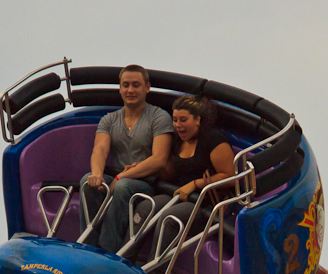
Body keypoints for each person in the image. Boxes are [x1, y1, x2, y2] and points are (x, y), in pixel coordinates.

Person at [79, 65, 174, 253]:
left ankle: (108, 252)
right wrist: (97, 174)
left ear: (147, 88)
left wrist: (121, 177)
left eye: (136, 85)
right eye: (126, 85)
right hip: (119, 179)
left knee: (123, 187)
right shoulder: (109, 119)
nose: (130, 90)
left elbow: (159, 159)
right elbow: (100, 149)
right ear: (120, 88)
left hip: (147, 183)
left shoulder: (159, 117)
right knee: (86, 182)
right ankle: (87, 249)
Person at [136, 95, 235, 258]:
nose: (178, 125)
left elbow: (231, 176)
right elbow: (169, 174)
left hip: (205, 205)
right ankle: (125, 262)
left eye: (183, 120)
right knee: (146, 207)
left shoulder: (213, 140)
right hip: (179, 196)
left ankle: (153, 273)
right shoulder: (178, 140)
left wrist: (196, 184)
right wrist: (143, 166)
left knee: (170, 218)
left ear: (197, 120)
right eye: (175, 120)